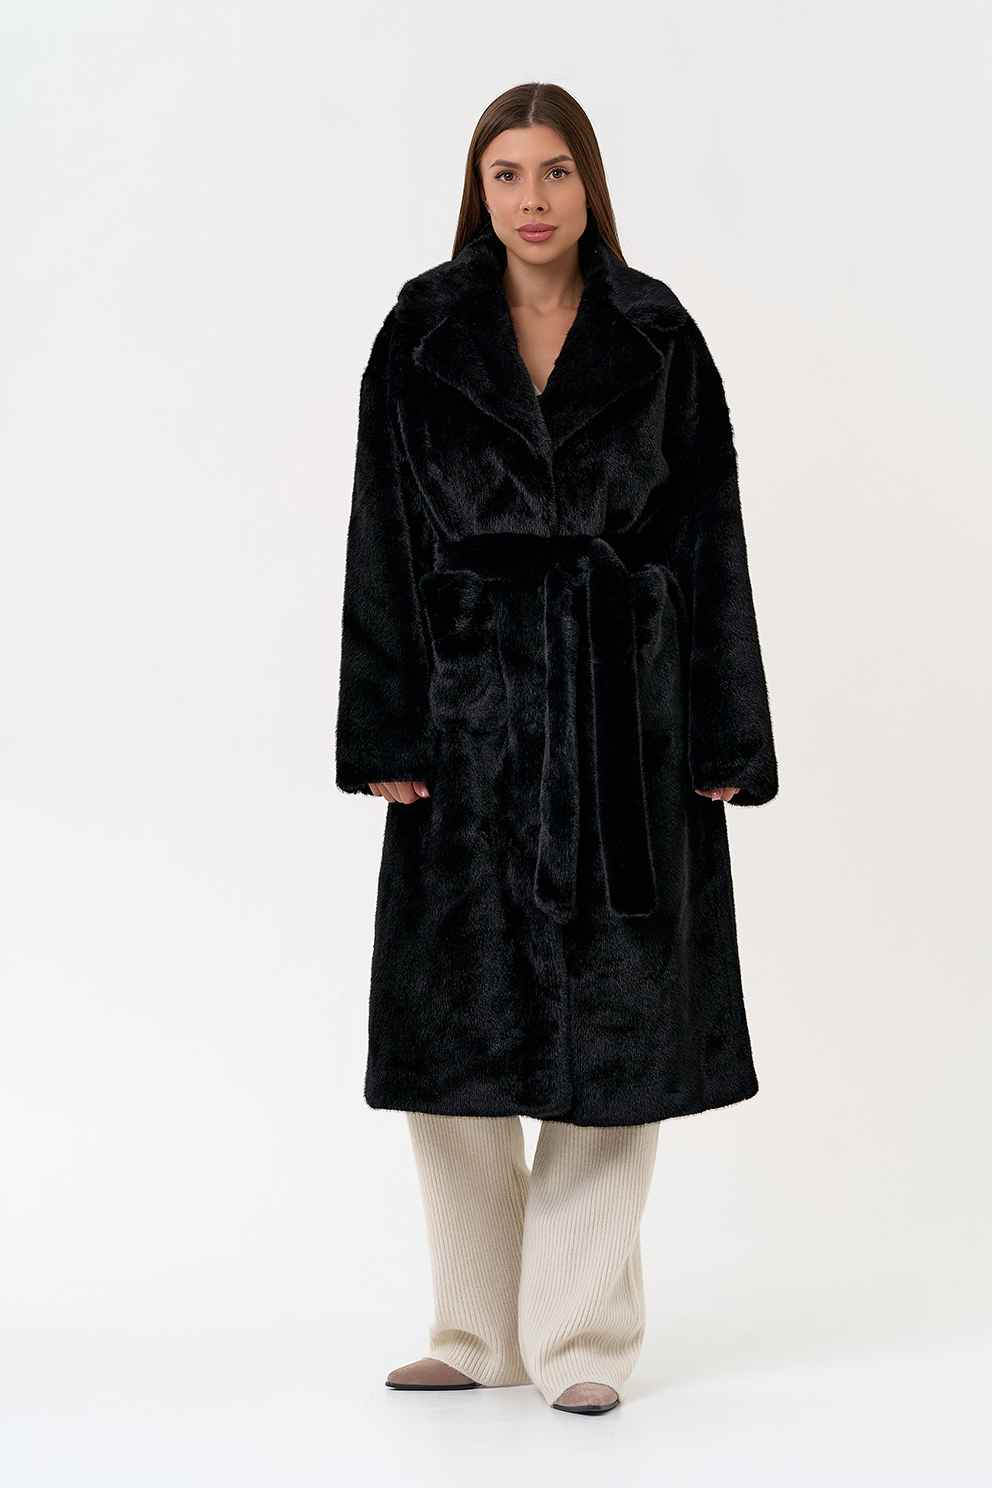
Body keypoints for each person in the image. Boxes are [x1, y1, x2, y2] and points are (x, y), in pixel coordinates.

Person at [335, 81, 778, 1416]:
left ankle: (579, 1342)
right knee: (452, 1044)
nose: (532, 199)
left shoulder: (657, 334)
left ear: (591, 184)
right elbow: (381, 536)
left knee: (616, 1048)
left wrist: (725, 728)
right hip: (465, 729)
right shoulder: (421, 333)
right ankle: (475, 1332)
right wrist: (384, 725)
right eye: (507, 174)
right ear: (479, 192)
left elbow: (709, 533)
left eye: (556, 171)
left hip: (625, 726)